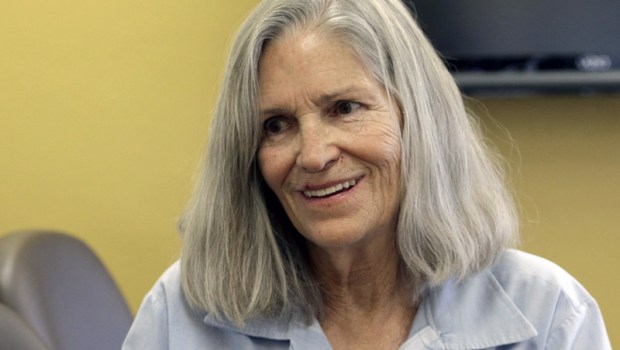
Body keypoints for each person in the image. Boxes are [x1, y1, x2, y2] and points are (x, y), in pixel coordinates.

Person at [122, 0, 611, 349]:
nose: (313, 155)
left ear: (416, 118)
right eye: (276, 126)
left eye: (345, 107)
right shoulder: (180, 313)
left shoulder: (549, 313)